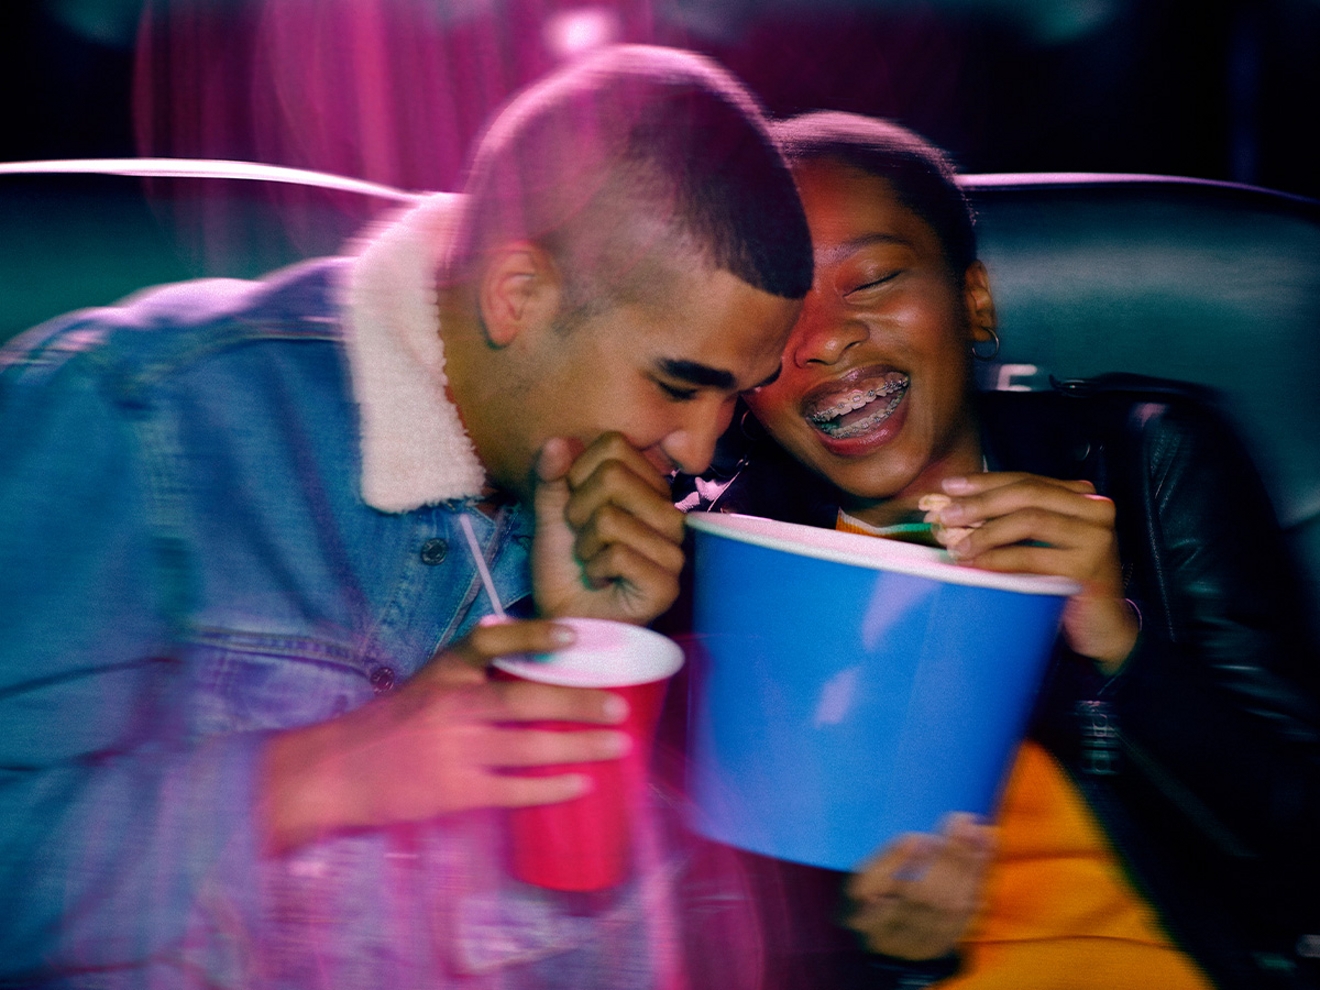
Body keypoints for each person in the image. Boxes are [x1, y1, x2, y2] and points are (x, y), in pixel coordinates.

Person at [0, 46, 811, 988]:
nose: (703, 453)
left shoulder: (606, 517)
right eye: (679, 384)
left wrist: (589, 648)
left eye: (737, 400)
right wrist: (326, 775)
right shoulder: (138, 414)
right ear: (519, 296)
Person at [674, 111, 1320, 989]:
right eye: (781, 311)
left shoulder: (1145, 463)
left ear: (974, 302)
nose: (824, 338)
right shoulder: (729, 557)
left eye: (870, 280)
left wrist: (1119, 647)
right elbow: (696, 922)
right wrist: (870, 947)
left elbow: (1303, 858)